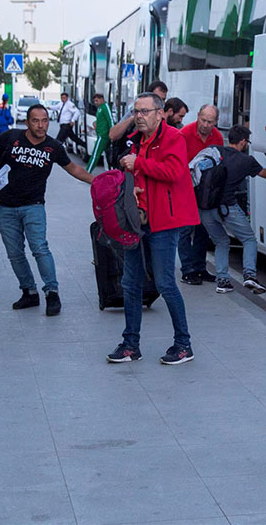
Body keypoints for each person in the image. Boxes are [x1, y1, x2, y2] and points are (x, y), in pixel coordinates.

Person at [107, 92, 198, 365]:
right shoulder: (137, 140)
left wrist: (139, 164)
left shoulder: (174, 138)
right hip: (139, 220)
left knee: (165, 283)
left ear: (160, 113)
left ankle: (183, 344)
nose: (139, 116)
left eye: (145, 111)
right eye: (136, 111)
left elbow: (174, 172)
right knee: (130, 283)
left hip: (165, 222)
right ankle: (130, 345)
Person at [0, 104, 94, 316]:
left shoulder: (54, 146)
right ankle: (29, 292)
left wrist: (97, 181)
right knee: (14, 253)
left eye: (45, 121)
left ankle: (52, 292)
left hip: (34, 206)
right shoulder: (11, 137)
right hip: (6, 206)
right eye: (36, 121)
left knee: (40, 248)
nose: (41, 126)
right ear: (27, 122)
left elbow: (74, 168)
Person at [199, 125, 266, 295]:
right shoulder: (246, 161)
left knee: (221, 242)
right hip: (227, 208)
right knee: (249, 239)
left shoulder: (214, 150)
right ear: (243, 141)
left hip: (205, 208)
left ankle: (222, 281)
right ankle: (250, 276)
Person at [178, 104, 223, 285]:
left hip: (205, 190)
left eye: (210, 122)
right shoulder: (185, 134)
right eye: (203, 120)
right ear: (198, 116)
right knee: (185, 230)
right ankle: (187, 270)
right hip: (185, 188)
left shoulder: (217, 137)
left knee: (203, 230)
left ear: (216, 122)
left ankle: (199, 268)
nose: (205, 125)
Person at [85, 93, 112, 172]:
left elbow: (110, 119)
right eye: (94, 101)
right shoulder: (100, 108)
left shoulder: (105, 107)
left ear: (102, 99)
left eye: (97, 100)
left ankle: (88, 171)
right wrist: (95, 122)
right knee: (107, 155)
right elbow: (102, 119)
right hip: (100, 133)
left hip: (103, 135)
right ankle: (110, 171)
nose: (96, 103)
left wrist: (112, 131)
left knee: (95, 154)